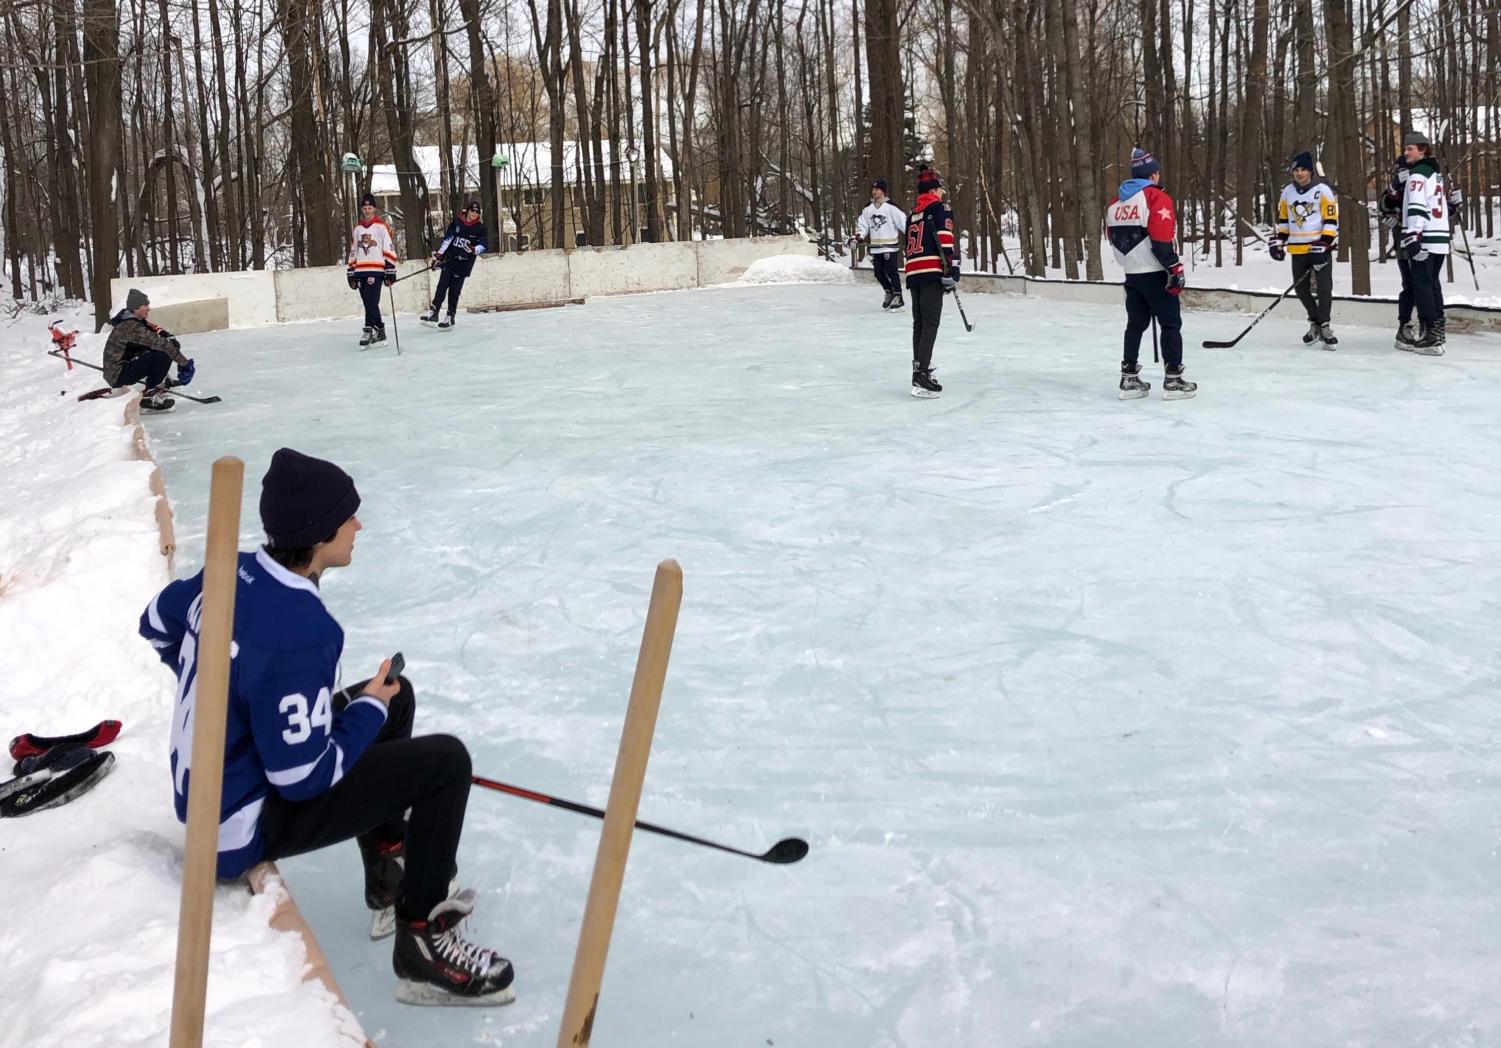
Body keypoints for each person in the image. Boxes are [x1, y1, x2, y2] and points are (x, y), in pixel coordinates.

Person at [139, 449, 515, 1006]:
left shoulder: (230, 569)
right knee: (445, 764)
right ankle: (423, 945)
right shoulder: (302, 631)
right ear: (318, 535)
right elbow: (301, 777)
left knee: (394, 696)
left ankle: (388, 871)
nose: (358, 525)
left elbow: (156, 624)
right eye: (348, 516)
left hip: (210, 796)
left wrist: (220, 687)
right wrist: (363, 714)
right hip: (240, 825)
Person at [1105, 148, 1195, 400]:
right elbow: (1161, 238)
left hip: (1131, 273)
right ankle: (1174, 379)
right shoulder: (1156, 198)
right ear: (1153, 174)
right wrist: (1174, 267)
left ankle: (1129, 378)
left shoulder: (1116, 203)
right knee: (1170, 323)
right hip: (1156, 271)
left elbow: (1111, 237)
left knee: (1135, 324)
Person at [1270, 151, 1339, 348]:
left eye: (1303, 169)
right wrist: (1279, 242)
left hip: (1319, 248)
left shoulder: (1323, 190)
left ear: (1310, 171)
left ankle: (1324, 325)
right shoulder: (1287, 193)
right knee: (1301, 289)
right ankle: (1315, 321)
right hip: (1298, 249)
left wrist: (1325, 243)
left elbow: (1331, 219)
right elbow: (1284, 221)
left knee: (1324, 288)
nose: (1299, 173)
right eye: (1296, 170)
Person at [902, 167, 959, 398]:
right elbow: (945, 239)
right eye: (940, 189)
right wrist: (952, 269)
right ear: (934, 189)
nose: (942, 194)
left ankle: (919, 369)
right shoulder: (939, 209)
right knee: (931, 323)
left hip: (913, 272)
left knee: (920, 323)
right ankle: (922, 373)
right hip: (931, 271)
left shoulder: (912, 215)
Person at [1397, 131, 1450, 355]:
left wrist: (1412, 235)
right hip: (1439, 237)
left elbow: (1418, 206)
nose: (1406, 153)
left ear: (1422, 150)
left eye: (1410, 149)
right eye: (1405, 149)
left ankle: (1430, 333)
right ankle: (1437, 329)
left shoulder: (1417, 175)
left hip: (1426, 237)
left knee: (1422, 285)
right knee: (1432, 283)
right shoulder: (1435, 175)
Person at [102, 288, 195, 412]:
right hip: (117, 374)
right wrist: (185, 364)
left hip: (122, 368)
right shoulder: (130, 326)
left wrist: (168, 336)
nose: (149, 308)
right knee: (163, 353)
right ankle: (149, 396)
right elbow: (161, 344)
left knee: (165, 347)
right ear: (136, 308)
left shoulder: (134, 321)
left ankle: (163, 380)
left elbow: (155, 332)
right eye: (145, 305)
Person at [422, 198, 489, 330]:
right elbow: (447, 240)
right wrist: (439, 257)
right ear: (467, 210)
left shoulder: (480, 228)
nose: (474, 213)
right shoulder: (457, 222)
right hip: (450, 260)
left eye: (477, 211)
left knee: (454, 291)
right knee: (442, 286)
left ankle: (450, 316)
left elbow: (484, 246)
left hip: (464, 264)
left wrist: (473, 249)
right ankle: (434, 312)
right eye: (472, 210)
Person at [347, 193, 399, 348]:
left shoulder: (381, 227)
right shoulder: (357, 229)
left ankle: (369, 329)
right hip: (360, 271)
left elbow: (388, 248)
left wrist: (390, 270)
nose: (367, 210)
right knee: (368, 302)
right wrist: (351, 271)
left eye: (370, 208)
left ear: (374, 209)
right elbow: (353, 250)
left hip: (376, 270)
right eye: (365, 208)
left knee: (371, 300)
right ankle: (381, 330)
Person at [1379, 155, 1419, 350]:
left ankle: (1429, 324)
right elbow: (1384, 205)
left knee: (1427, 285)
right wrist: (1388, 216)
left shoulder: (1421, 187)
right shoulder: (1394, 190)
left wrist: (1454, 205)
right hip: (1404, 246)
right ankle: (1404, 327)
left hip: (1424, 244)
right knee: (1410, 285)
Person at [855, 180, 908, 310]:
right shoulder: (868, 209)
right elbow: (863, 226)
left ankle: (898, 296)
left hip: (890, 247)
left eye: (877, 189)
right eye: (873, 190)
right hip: (876, 248)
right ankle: (889, 291)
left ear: (883, 191)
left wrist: (913, 237)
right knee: (878, 273)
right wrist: (858, 237)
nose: (874, 192)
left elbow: (904, 224)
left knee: (891, 271)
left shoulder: (891, 208)